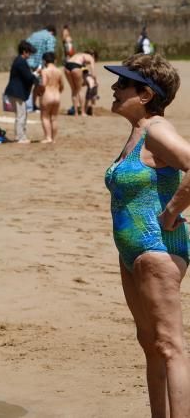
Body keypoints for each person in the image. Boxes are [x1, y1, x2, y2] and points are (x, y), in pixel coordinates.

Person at [104, 54, 190, 418]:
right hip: (132, 253)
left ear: (145, 94)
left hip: (158, 249)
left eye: (122, 84)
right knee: (150, 344)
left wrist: (173, 210)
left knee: (170, 345)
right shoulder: (138, 132)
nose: (113, 87)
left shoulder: (157, 129)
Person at [4, 40, 39, 143]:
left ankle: (19, 135)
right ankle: (20, 137)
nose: (30, 55)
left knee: (21, 115)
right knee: (21, 115)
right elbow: (28, 77)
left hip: (14, 92)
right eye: (29, 52)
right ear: (24, 52)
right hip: (17, 92)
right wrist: (36, 77)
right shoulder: (21, 61)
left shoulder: (19, 60)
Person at [37, 52, 64, 143]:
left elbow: (43, 84)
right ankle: (54, 139)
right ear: (54, 60)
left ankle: (48, 137)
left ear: (45, 61)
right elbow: (62, 85)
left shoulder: (45, 71)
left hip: (47, 95)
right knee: (54, 118)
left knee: (45, 117)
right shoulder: (59, 71)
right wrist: (58, 91)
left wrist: (39, 91)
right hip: (56, 96)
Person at [64, 50, 97, 117]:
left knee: (73, 90)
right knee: (79, 90)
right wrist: (95, 81)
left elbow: (84, 69)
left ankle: (76, 113)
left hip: (67, 66)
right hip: (76, 66)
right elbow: (93, 74)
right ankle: (82, 112)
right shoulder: (91, 58)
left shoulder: (79, 54)